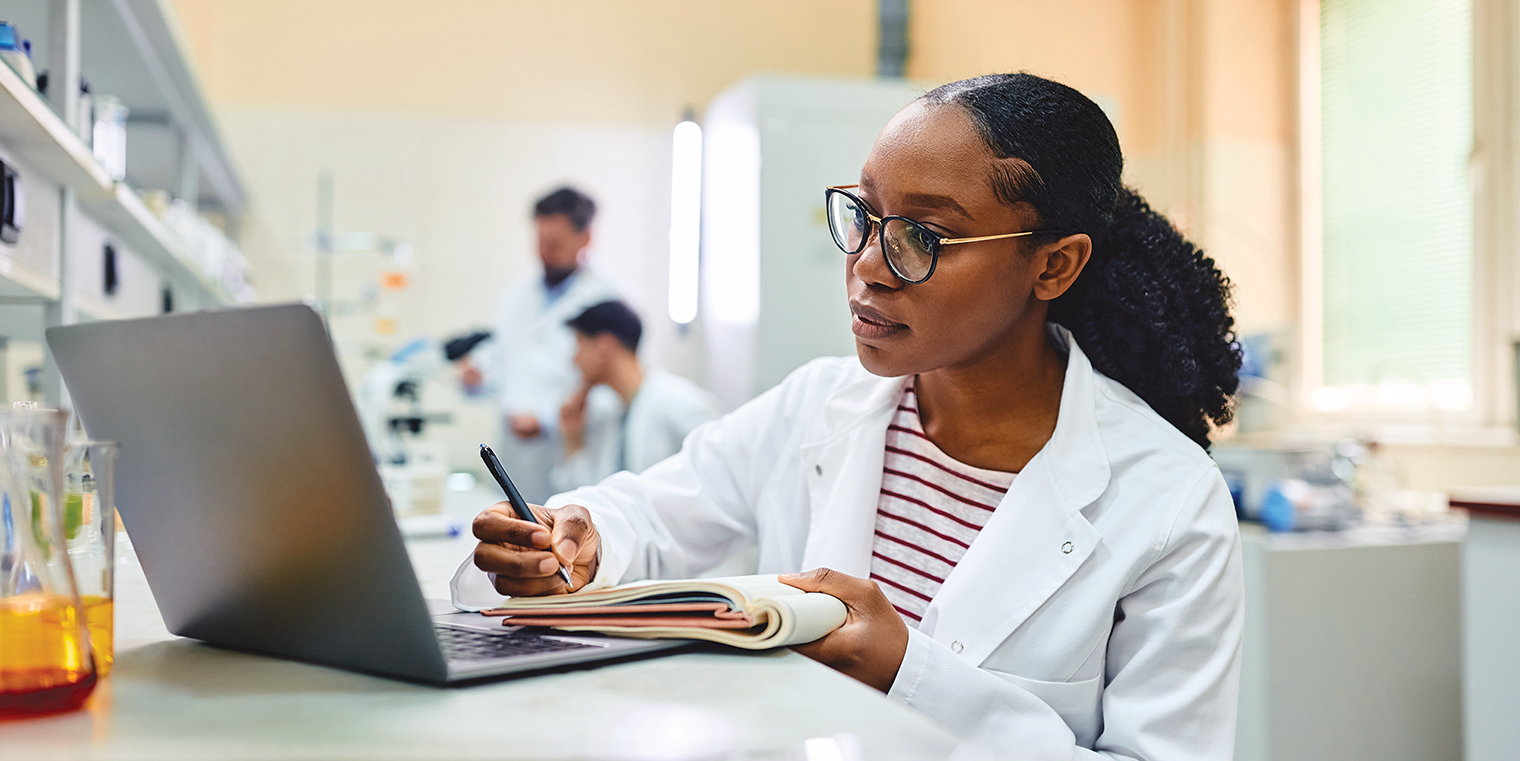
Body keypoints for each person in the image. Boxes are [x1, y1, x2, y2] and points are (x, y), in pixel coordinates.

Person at [456, 73, 1243, 758]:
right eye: (864, 215)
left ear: (1053, 263)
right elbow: (652, 512)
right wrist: (580, 535)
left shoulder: (1170, 499)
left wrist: (913, 676)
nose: (868, 265)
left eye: (923, 236)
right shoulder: (820, 404)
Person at [461, 187, 620, 503]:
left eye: (555, 244)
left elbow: (614, 389)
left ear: (586, 238)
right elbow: (504, 359)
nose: (544, 252)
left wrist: (547, 421)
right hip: (512, 454)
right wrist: (479, 374)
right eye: (540, 242)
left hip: (569, 457)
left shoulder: (609, 302)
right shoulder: (517, 295)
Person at [549, 300, 721, 494]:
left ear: (604, 346)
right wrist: (573, 439)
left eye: (579, 344)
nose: (574, 359)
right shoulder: (612, 414)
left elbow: (721, 475)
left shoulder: (678, 403)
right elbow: (591, 495)